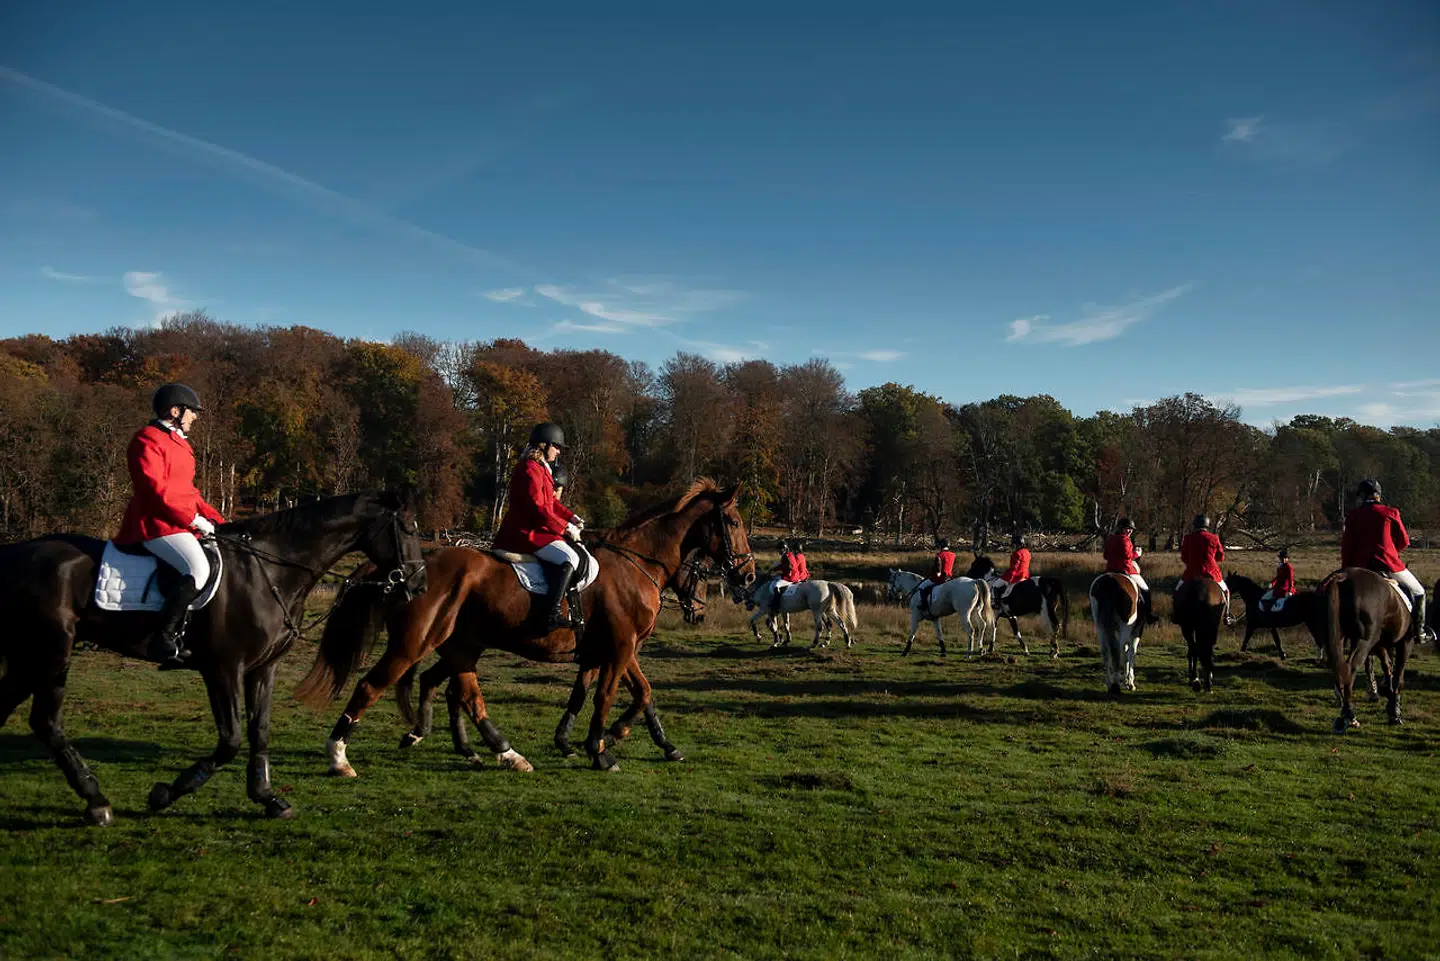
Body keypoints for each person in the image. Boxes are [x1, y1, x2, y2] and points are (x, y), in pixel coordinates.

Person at [115, 383, 227, 666]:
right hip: (155, 524)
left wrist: (218, 520)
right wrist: (191, 519)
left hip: (179, 522)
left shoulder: (180, 443)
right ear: (175, 411)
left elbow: (189, 492)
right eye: (192, 412)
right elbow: (155, 491)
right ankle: (162, 636)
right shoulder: (147, 439)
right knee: (197, 568)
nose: (196, 418)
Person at [493, 422, 583, 632]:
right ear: (544, 445)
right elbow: (538, 508)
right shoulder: (530, 469)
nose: (559, 451)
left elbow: (551, 503)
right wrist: (564, 529)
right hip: (525, 533)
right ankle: (550, 614)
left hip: (536, 530)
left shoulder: (540, 468)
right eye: (557, 446)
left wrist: (572, 517)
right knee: (571, 558)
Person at [1341, 479, 1434, 642]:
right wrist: (1391, 551)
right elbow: (1404, 540)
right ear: (1378, 495)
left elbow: (1347, 546)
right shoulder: (1390, 512)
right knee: (1419, 592)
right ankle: (1419, 633)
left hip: (1359, 566)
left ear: (1362, 496)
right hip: (1387, 563)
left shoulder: (1353, 515)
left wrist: (1346, 569)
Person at [1175, 514, 1231, 624]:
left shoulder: (1188, 538)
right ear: (1207, 525)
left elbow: (1184, 557)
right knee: (1226, 591)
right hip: (1212, 573)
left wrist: (1191, 563)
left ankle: (1176, 615)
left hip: (1191, 573)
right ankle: (1227, 616)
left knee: (1177, 591)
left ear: (1194, 525)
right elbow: (1221, 557)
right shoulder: (1214, 538)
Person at [1104, 517, 1154, 624]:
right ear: (1122, 528)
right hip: (1125, 570)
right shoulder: (1125, 539)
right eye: (1128, 528)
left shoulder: (1111, 539)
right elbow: (1127, 555)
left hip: (1110, 571)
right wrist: (1137, 553)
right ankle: (1149, 615)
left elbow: (1106, 556)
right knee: (1146, 589)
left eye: (1131, 529)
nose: (1130, 531)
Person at [917, 537, 956, 613]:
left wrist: (931, 574)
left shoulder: (939, 555)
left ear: (941, 545)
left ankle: (924, 604)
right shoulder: (953, 555)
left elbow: (937, 568)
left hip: (939, 578)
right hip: (949, 578)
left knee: (922, 586)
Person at [768, 540, 803, 614]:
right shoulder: (789, 554)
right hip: (793, 576)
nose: (778, 551)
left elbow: (789, 567)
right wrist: (773, 569)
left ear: (783, 549)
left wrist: (783, 573)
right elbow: (782, 566)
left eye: (779, 549)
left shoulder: (786, 556)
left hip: (790, 577)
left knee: (776, 585)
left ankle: (776, 606)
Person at [997, 533, 1032, 600]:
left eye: (1014, 544)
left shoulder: (1016, 553)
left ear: (1018, 544)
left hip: (1017, 577)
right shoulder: (1027, 552)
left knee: (996, 585)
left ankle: (996, 603)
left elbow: (1014, 569)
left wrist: (1007, 577)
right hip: (1025, 576)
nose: (1013, 546)